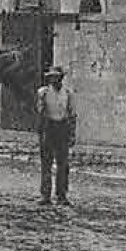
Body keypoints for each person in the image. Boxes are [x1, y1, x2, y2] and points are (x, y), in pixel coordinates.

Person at [35, 65, 76, 205]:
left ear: (61, 78)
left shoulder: (68, 94)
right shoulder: (44, 92)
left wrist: (72, 134)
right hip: (49, 127)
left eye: (56, 77)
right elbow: (40, 113)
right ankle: (45, 194)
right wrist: (41, 132)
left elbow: (71, 115)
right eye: (51, 77)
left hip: (62, 128)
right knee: (46, 162)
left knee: (63, 164)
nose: (54, 80)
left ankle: (62, 195)